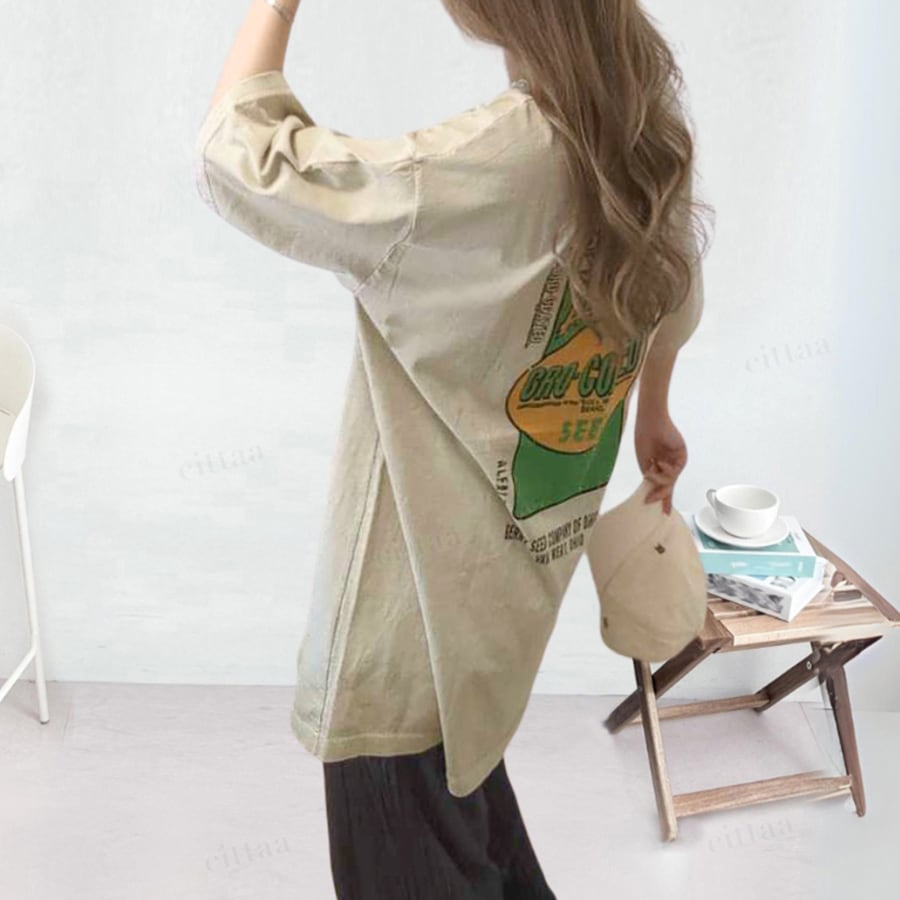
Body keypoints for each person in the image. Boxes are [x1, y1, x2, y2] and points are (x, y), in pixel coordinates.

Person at [193, 0, 712, 896]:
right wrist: (651, 410)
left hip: (405, 630)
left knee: (424, 822)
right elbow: (677, 291)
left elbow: (241, 155)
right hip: (500, 614)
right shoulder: (644, 135)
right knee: (476, 827)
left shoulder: (479, 166)